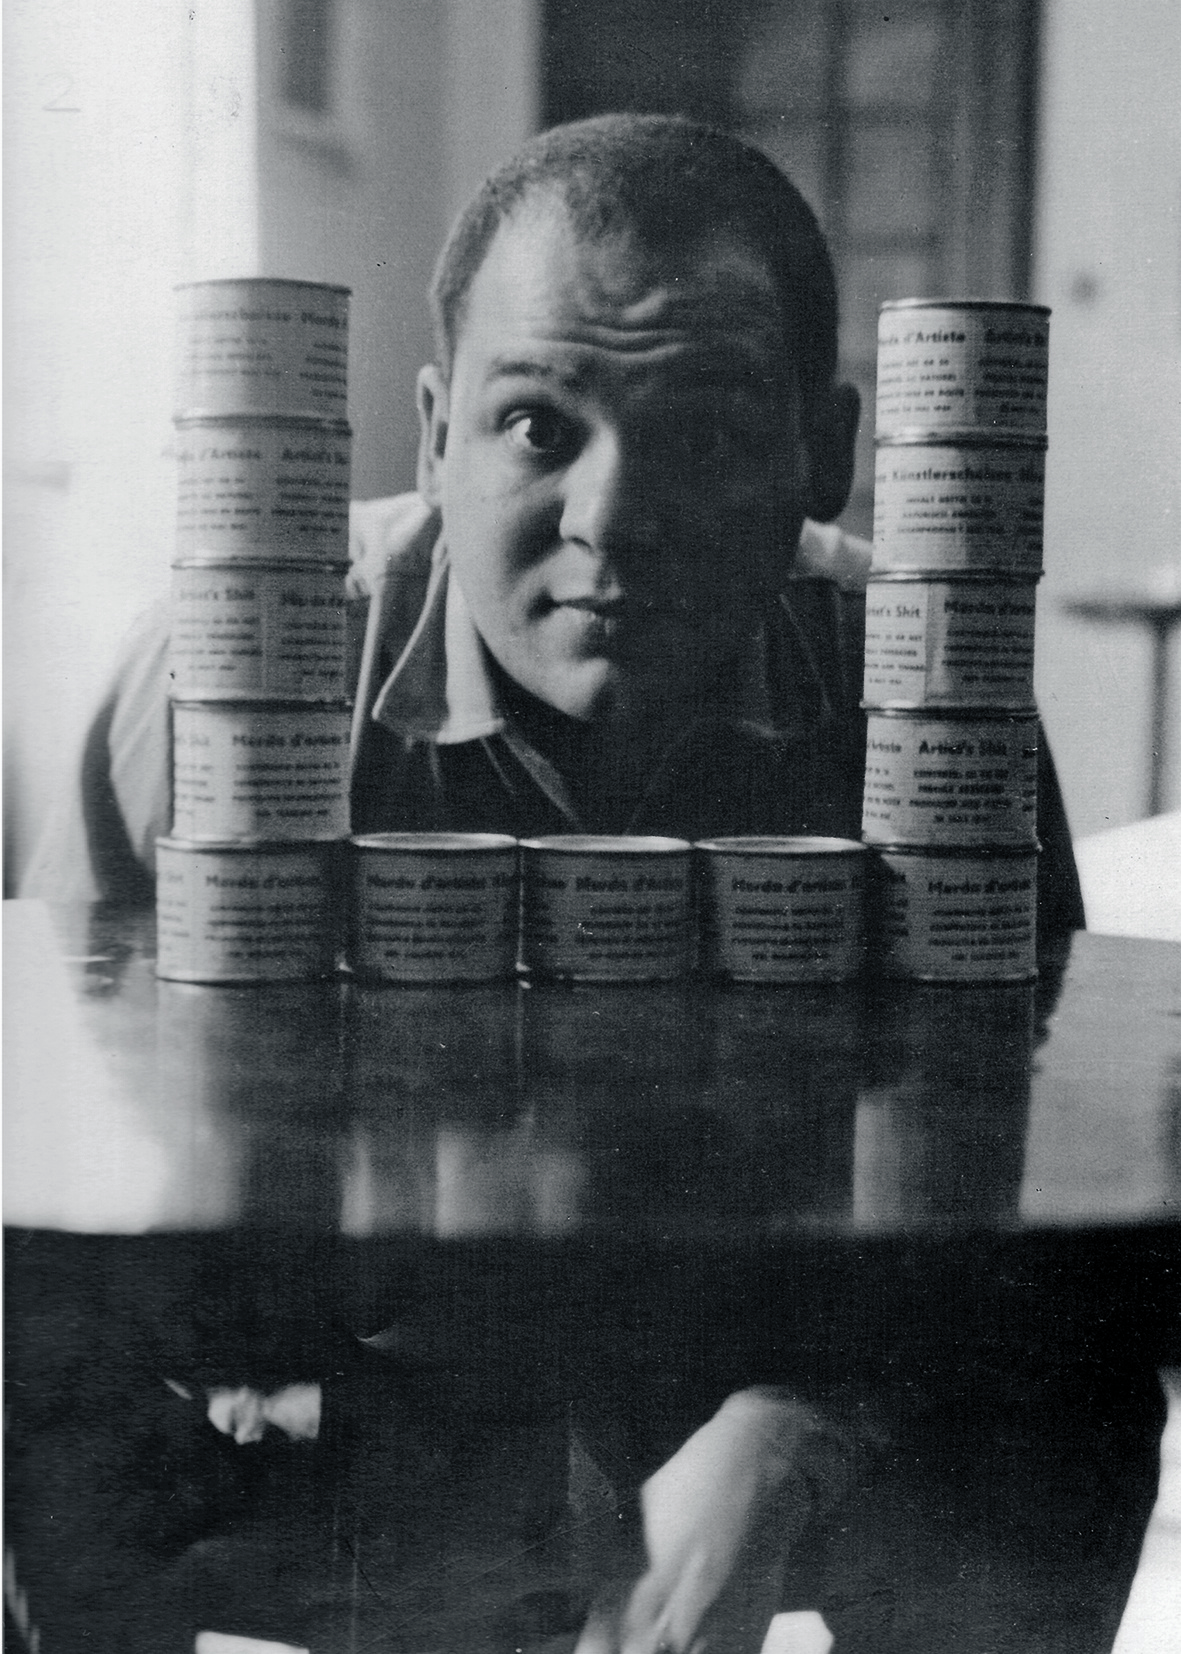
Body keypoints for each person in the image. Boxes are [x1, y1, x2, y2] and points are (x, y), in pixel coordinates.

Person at [18, 115, 1133, 1654]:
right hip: (369, 1367)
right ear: (432, 433)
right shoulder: (226, 688)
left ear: (834, 448)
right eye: (540, 426)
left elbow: (1036, 1205)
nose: (617, 520)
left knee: (1068, 1410)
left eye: (715, 432)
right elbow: (54, 1183)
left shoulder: (930, 687)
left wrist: (816, 1417)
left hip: (769, 1347)